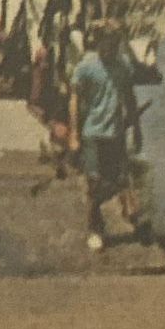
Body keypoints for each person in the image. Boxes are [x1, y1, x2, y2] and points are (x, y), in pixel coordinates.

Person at [68, 20, 146, 251]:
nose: (110, 48)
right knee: (94, 182)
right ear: (99, 42)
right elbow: (74, 99)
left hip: (116, 134)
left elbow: (130, 99)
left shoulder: (123, 67)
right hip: (93, 133)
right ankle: (96, 229)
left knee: (119, 181)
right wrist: (74, 133)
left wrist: (137, 129)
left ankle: (132, 215)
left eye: (114, 44)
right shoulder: (86, 66)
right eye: (106, 43)